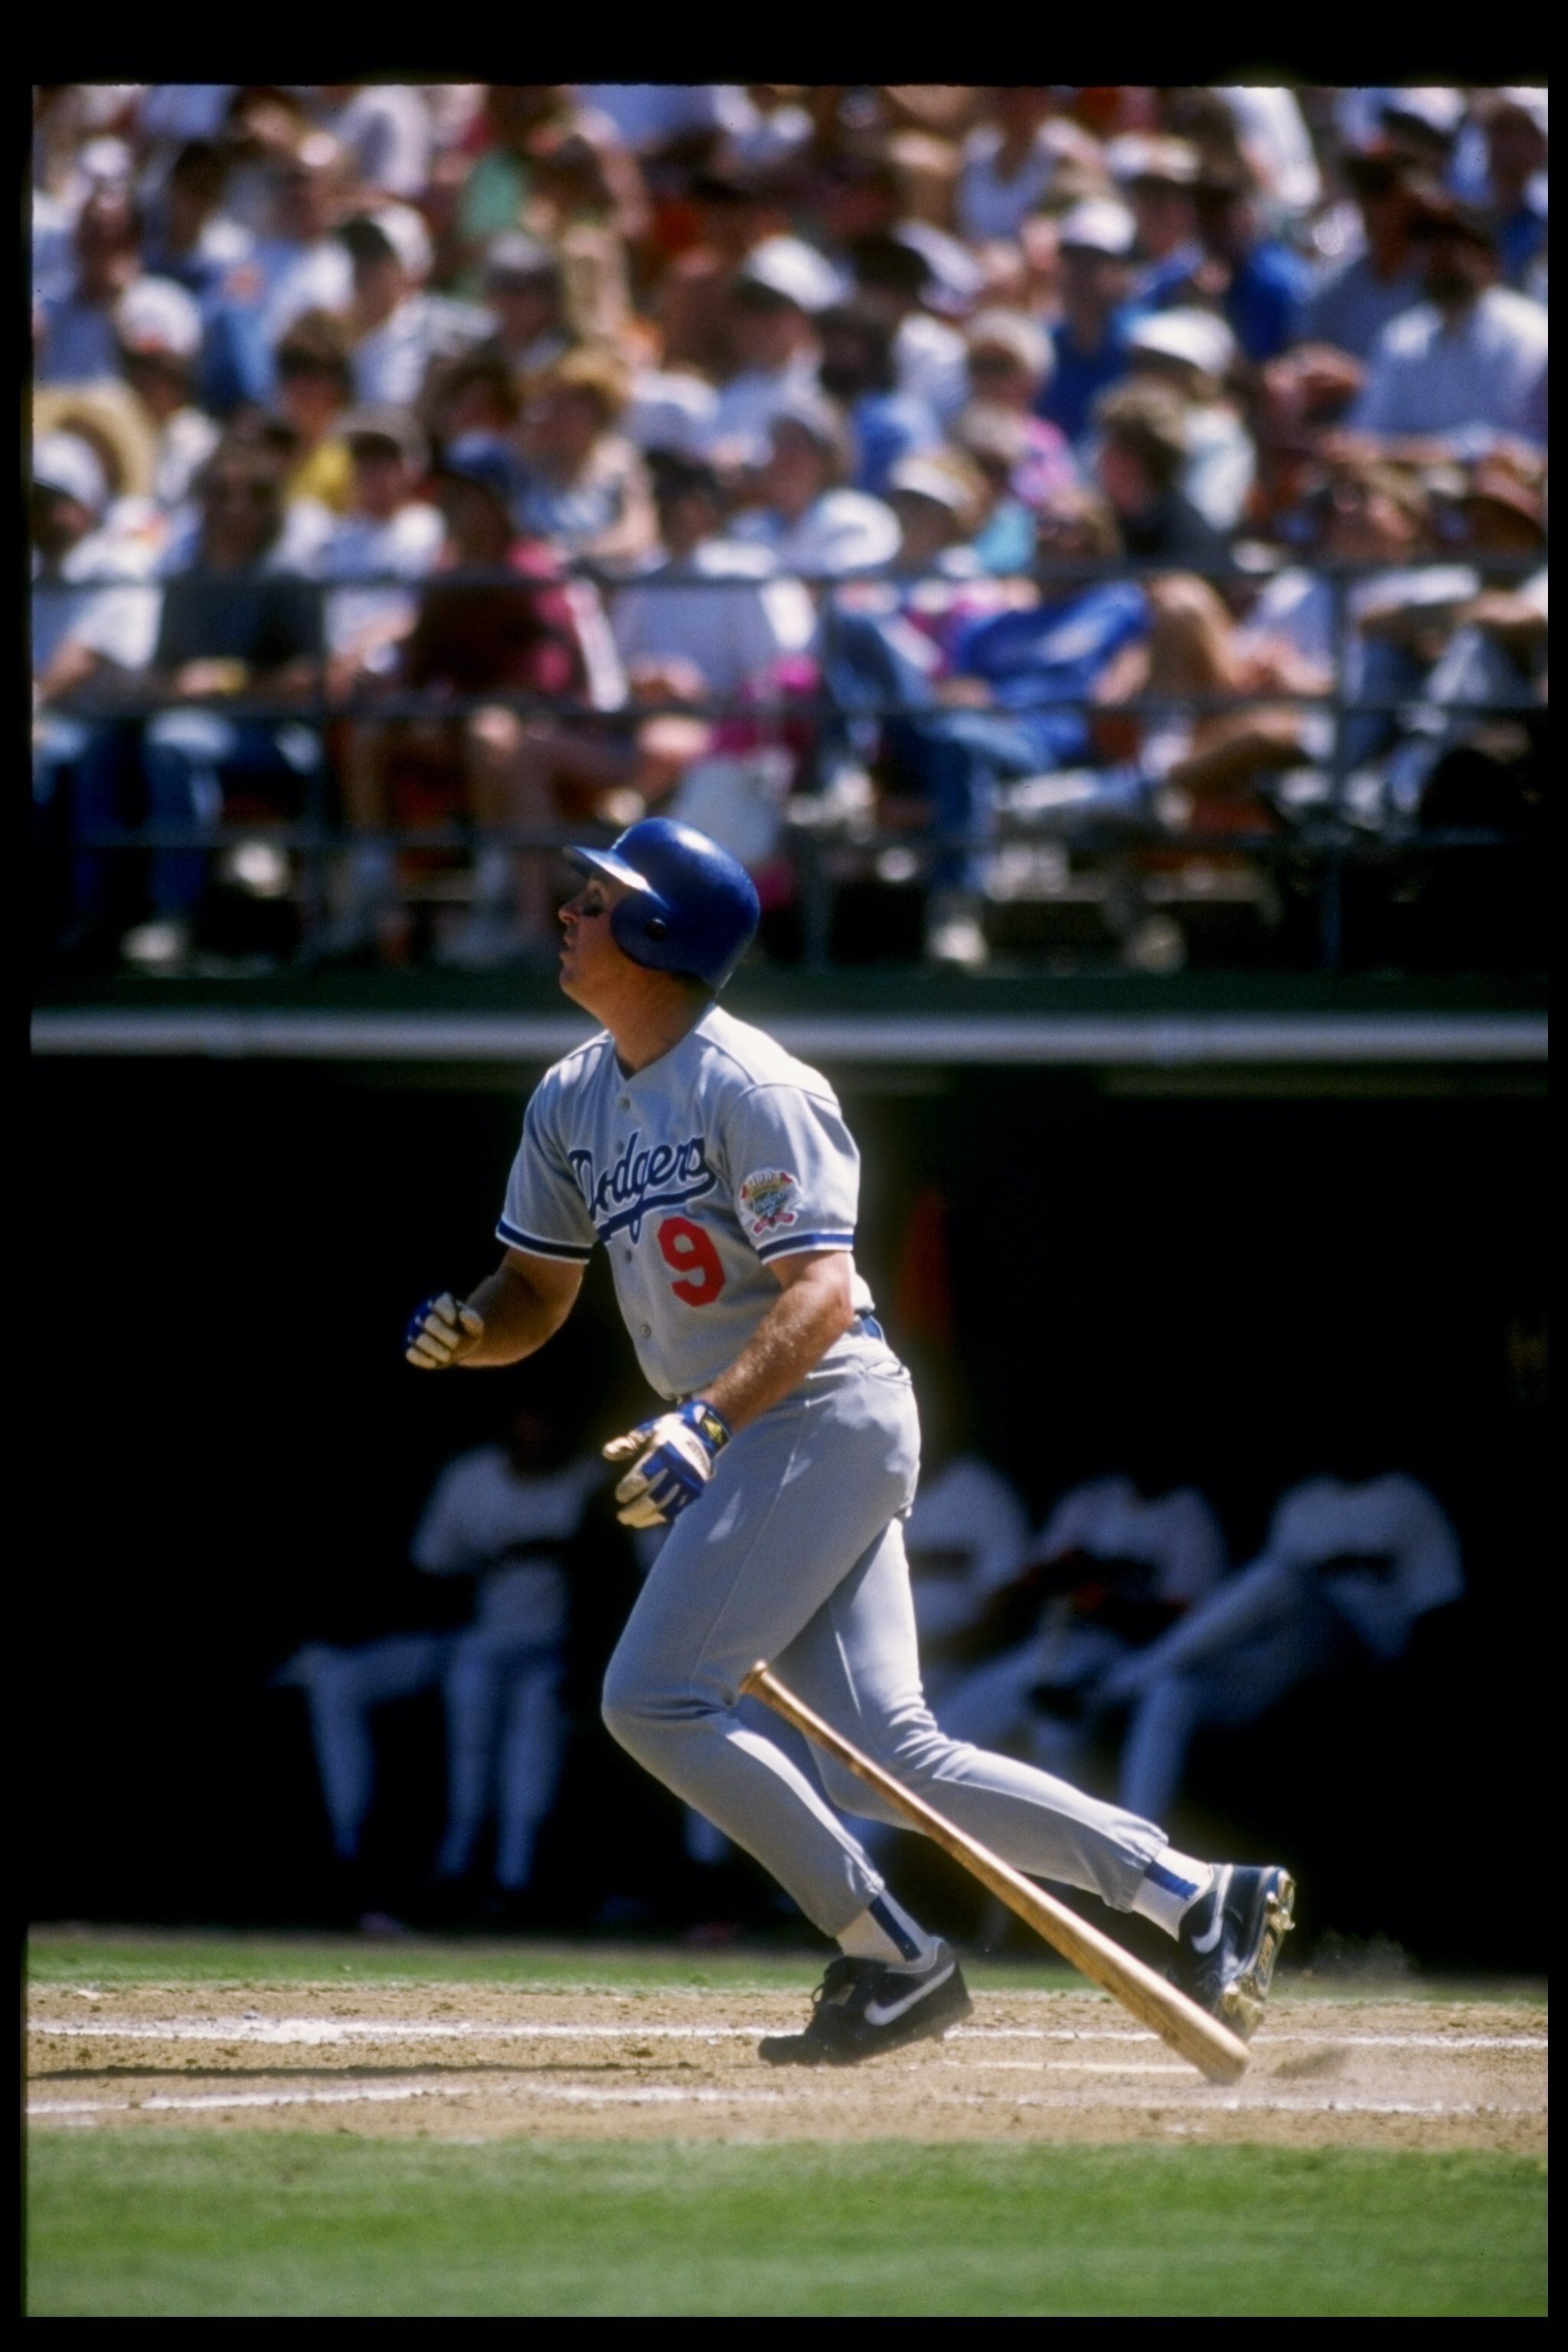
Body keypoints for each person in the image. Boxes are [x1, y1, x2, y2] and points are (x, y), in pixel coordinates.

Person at [403, 815, 1297, 2060]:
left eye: (597, 898)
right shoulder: (568, 1096)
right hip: (757, 1428)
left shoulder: (755, 1082)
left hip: (816, 1408)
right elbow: (532, 1296)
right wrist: (467, 1329)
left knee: (652, 1696)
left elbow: (820, 1291)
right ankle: (1194, 1896)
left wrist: (706, 1423)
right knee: (888, 1757)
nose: (567, 909)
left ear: (660, 931)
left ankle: (888, 1953)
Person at [276, 1401, 603, 1916]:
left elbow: (607, 1584)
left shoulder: (591, 1482)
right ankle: (445, 1863)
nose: (535, 1432)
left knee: (531, 1745)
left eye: (547, 1422)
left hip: (550, 1655)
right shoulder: (472, 1479)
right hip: (474, 1645)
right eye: (526, 1422)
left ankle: (513, 1879)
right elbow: (431, 1567)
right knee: (466, 1729)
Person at [1101, 1472, 1463, 1825]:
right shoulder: (1303, 1502)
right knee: (1174, 1690)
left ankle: (1121, 1681)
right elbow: (1257, 1612)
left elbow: (1437, 1609)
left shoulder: (1406, 1500)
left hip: (1365, 1651)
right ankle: (1134, 1853)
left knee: (1280, 1577)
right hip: (1291, 1650)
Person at [1349, 194, 1548, 452]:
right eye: (1431, 245)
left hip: (1488, 486)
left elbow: (1519, 443)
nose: (1439, 258)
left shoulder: (1528, 332)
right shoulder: (1402, 337)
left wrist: (1419, 453)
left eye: (1453, 246)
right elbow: (1368, 430)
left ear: (1489, 260)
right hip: (1396, 482)